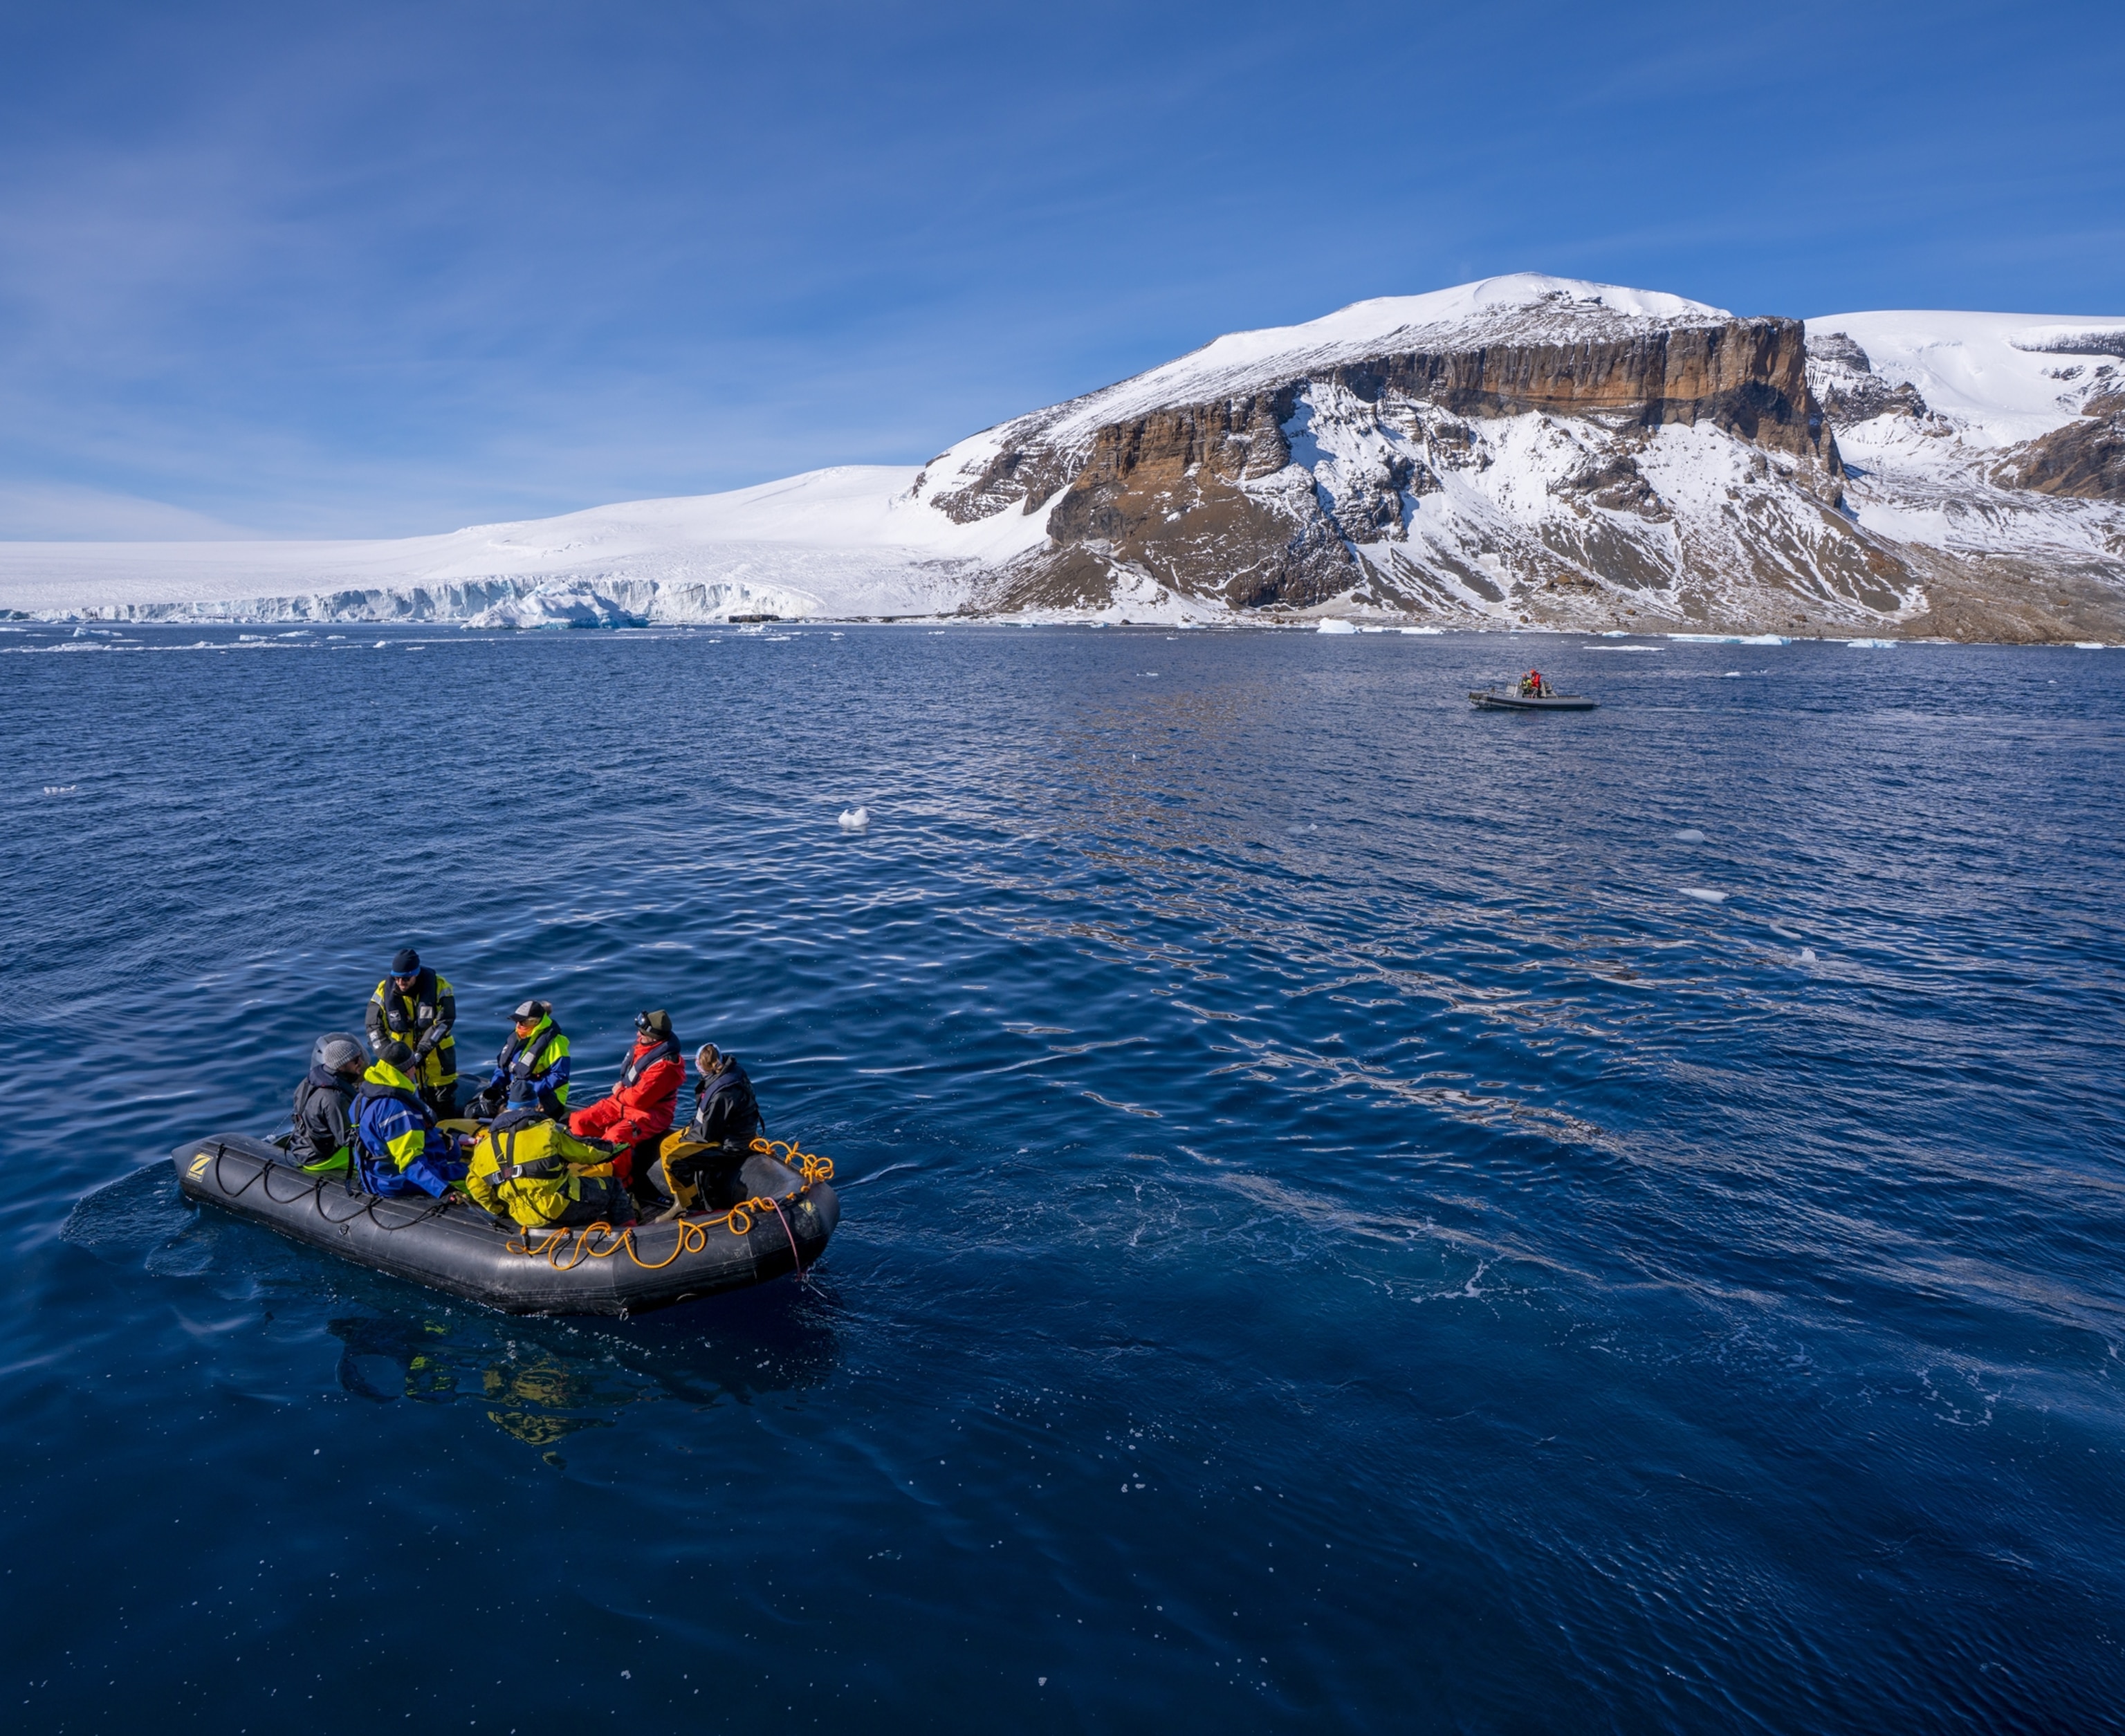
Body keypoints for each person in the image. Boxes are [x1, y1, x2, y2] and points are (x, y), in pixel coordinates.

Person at [464, 1080, 627, 1230]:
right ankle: (627, 1233)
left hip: (520, 1215)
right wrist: (614, 1147)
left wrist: (500, 1210)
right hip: (558, 1207)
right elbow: (588, 1153)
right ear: (536, 1106)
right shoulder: (548, 1130)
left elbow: (476, 1187)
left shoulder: (485, 1145)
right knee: (612, 1187)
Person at [567, 1010, 684, 1199]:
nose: (638, 1036)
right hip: (623, 1102)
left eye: (643, 1034)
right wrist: (621, 1094)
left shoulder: (666, 1066)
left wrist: (619, 1091)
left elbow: (639, 1100)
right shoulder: (643, 1048)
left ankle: (621, 1183)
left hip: (650, 1113)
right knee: (579, 1120)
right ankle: (586, 1164)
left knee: (616, 1136)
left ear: (654, 1039)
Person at [653, 1044, 762, 1219]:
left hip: (730, 1143)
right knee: (666, 1144)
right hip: (720, 1131)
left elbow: (707, 1134)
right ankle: (680, 1199)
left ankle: (687, 1205)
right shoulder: (728, 1071)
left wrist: (686, 1138)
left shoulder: (723, 1094)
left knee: (674, 1160)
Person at [353, 1040, 468, 1198]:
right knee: (473, 1173)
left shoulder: (364, 1095)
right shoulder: (396, 1110)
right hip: (397, 1181)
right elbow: (410, 1162)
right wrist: (444, 1190)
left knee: (454, 1149)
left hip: (376, 1172)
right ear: (408, 1070)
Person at [365, 948, 460, 1118]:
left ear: (416, 974)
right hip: (402, 1062)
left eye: (406, 978)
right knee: (407, 1103)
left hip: (437, 1057)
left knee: (443, 1102)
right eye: (397, 978)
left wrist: (421, 1051)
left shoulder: (439, 987)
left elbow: (445, 1021)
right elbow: (373, 1028)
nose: (401, 982)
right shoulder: (382, 992)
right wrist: (392, 1057)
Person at [479, 1000, 571, 1120]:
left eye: (524, 1022)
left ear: (536, 1021)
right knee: (479, 1108)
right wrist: (496, 1085)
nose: (519, 1026)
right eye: (517, 1021)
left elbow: (560, 1076)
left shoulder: (556, 1043)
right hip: (515, 1091)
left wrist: (528, 1090)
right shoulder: (516, 1037)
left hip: (547, 1095)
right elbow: (503, 1065)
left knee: (517, 1118)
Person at [289, 1032, 367, 1172]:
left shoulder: (309, 1081)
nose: (361, 1063)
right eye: (356, 1060)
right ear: (341, 1066)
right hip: (320, 1157)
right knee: (381, 1156)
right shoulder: (335, 1098)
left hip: (301, 1146)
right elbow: (348, 1140)